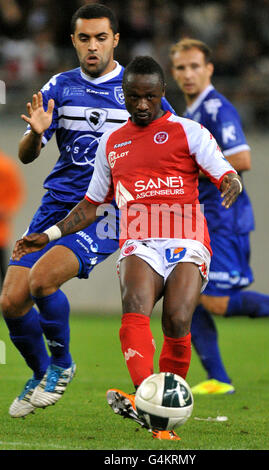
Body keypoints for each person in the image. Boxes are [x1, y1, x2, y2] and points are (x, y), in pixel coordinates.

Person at [12, 55, 242, 440]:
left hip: (186, 238)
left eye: (149, 97)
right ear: (123, 94)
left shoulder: (190, 131)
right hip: (139, 240)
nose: (141, 104)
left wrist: (230, 183)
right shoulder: (111, 144)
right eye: (134, 96)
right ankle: (145, 401)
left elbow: (224, 170)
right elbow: (90, 205)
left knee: (177, 320)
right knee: (135, 306)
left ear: (162, 94)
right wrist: (49, 235)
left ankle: (163, 408)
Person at [0, 3, 173, 420]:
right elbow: (26, 155)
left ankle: (62, 364)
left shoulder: (136, 88)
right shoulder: (59, 86)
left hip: (108, 211)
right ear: (73, 41)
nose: (92, 47)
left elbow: (172, 139)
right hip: (57, 204)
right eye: (84, 38)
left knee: (42, 282)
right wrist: (36, 134)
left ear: (115, 39)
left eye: (100, 38)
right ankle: (43, 372)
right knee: (10, 302)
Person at [170, 38, 269, 394]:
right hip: (206, 218)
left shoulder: (217, 108)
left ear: (209, 68)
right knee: (186, 294)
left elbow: (242, 160)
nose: (188, 74)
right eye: (181, 68)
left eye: (195, 66)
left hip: (225, 217)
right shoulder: (192, 112)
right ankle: (218, 379)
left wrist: (180, 171)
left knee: (215, 301)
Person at [0, 149, 25, 289]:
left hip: (1, 232)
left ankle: (8, 298)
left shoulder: (6, 167)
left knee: (3, 271)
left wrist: (5, 210)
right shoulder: (7, 166)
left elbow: (14, 196)